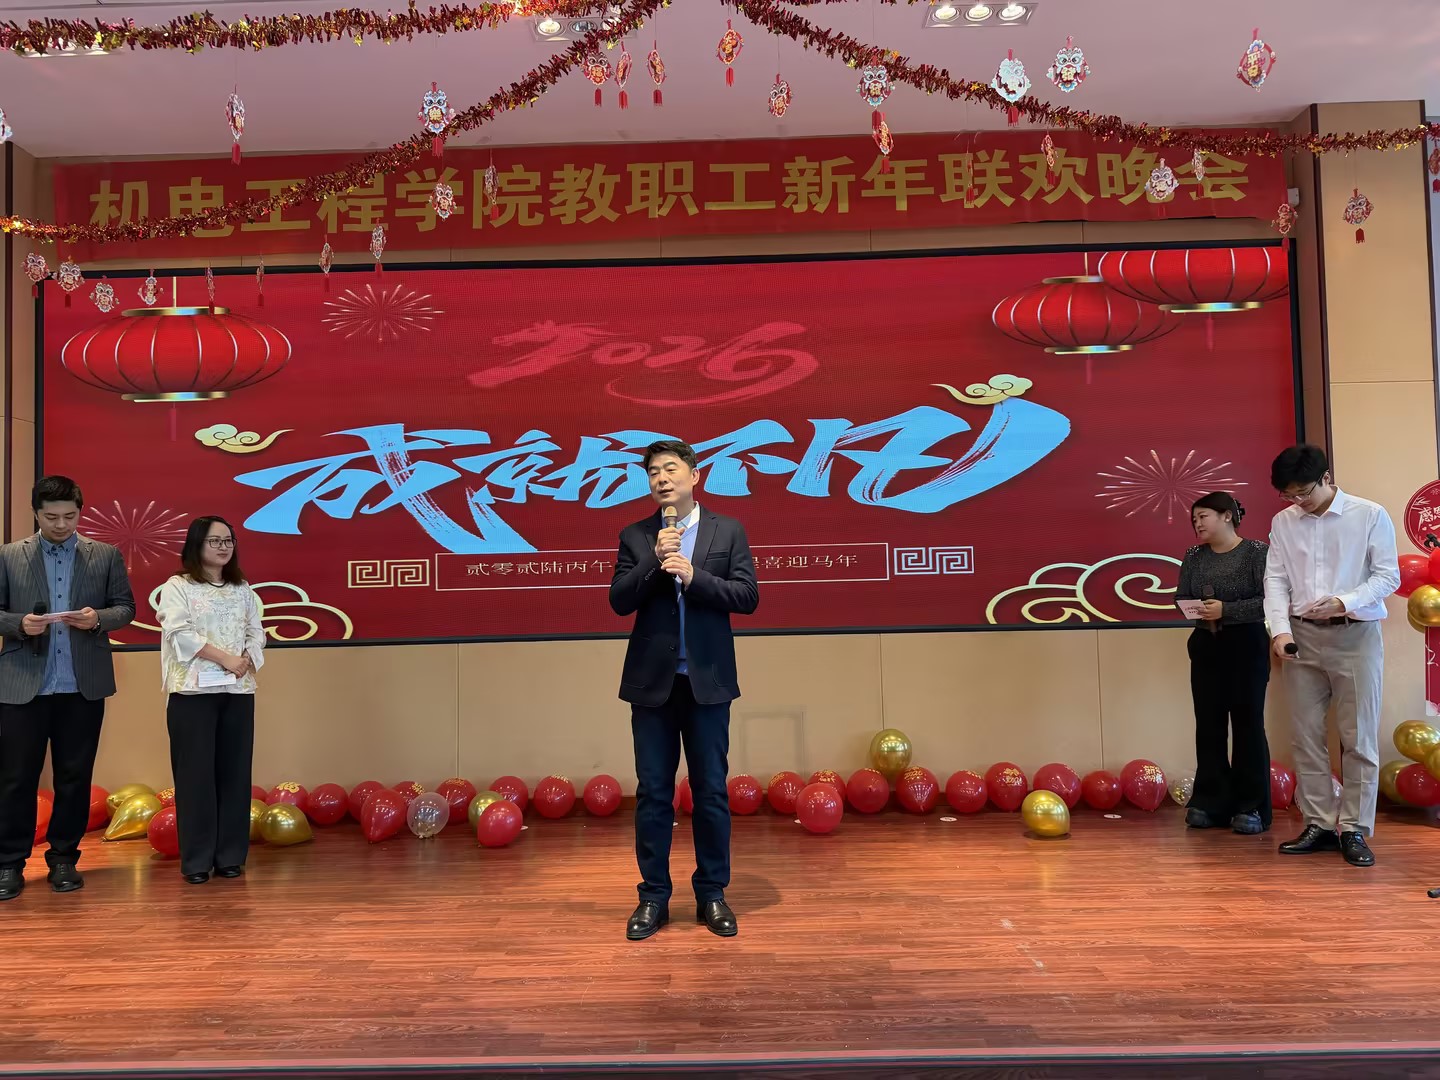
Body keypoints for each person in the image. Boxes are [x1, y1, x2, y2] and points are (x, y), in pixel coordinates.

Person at [609, 440, 758, 941]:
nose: (661, 478)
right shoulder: (636, 536)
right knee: (653, 794)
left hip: (707, 683)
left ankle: (712, 893)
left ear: (695, 476)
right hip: (652, 686)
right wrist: (655, 562)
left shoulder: (727, 530)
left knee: (710, 791)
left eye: (670, 469)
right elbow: (619, 600)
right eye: (653, 472)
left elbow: (747, 596)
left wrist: (695, 577)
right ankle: (653, 897)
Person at [1264, 444, 1400, 867]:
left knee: (1358, 737)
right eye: (1288, 495)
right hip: (1301, 636)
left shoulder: (1369, 514)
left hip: (1355, 634)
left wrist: (1344, 601)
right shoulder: (1283, 522)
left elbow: (1388, 576)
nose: (1297, 501)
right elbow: (1275, 579)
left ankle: (1354, 828)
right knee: (1305, 736)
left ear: (1326, 478)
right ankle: (1320, 823)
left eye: (1303, 491)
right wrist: (1280, 631)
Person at [0, 476, 135, 901]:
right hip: (22, 684)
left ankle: (63, 859)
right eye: (51, 517)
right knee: (15, 778)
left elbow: (125, 608)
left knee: (74, 777)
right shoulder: (8, 555)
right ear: (36, 513)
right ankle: (9, 864)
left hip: (82, 685)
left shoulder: (105, 555)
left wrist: (97, 619)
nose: (61, 525)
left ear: (80, 512)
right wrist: (17, 624)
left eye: (70, 516)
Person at [156, 516, 265, 885]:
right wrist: (227, 659)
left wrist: (246, 658)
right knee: (195, 778)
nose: (223, 547)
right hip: (192, 693)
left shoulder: (242, 589)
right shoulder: (178, 586)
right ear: (196, 545)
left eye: (228, 540)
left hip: (237, 691)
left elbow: (256, 631)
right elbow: (179, 633)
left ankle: (230, 856)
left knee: (235, 775)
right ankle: (197, 861)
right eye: (214, 541)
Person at [1175, 492, 1273, 835]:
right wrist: (1196, 609)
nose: (1197, 524)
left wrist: (1226, 610)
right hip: (1206, 644)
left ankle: (1252, 806)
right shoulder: (1194, 555)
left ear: (1227, 516)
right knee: (1209, 725)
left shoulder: (1256, 552)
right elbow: (1181, 596)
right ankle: (1210, 802)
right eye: (1194, 519)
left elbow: (1270, 600)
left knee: (1247, 725)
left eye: (1203, 516)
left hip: (1247, 643)